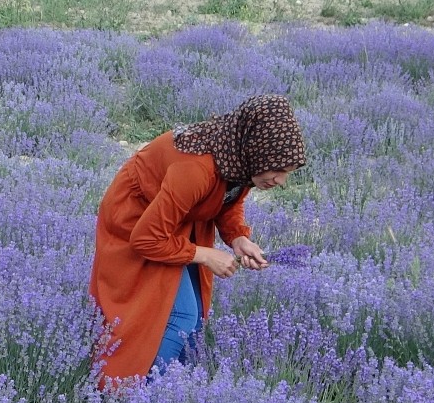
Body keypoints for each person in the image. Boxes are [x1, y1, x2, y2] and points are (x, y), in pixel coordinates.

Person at [90, 94, 306, 386]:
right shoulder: (196, 168)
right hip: (136, 220)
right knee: (180, 316)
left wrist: (237, 237)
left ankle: (170, 391)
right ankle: (137, 397)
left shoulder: (237, 157)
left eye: (287, 174)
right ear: (257, 151)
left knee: (193, 321)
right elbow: (145, 239)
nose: (281, 182)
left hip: (175, 220)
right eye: (278, 171)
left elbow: (228, 198)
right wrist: (205, 255)